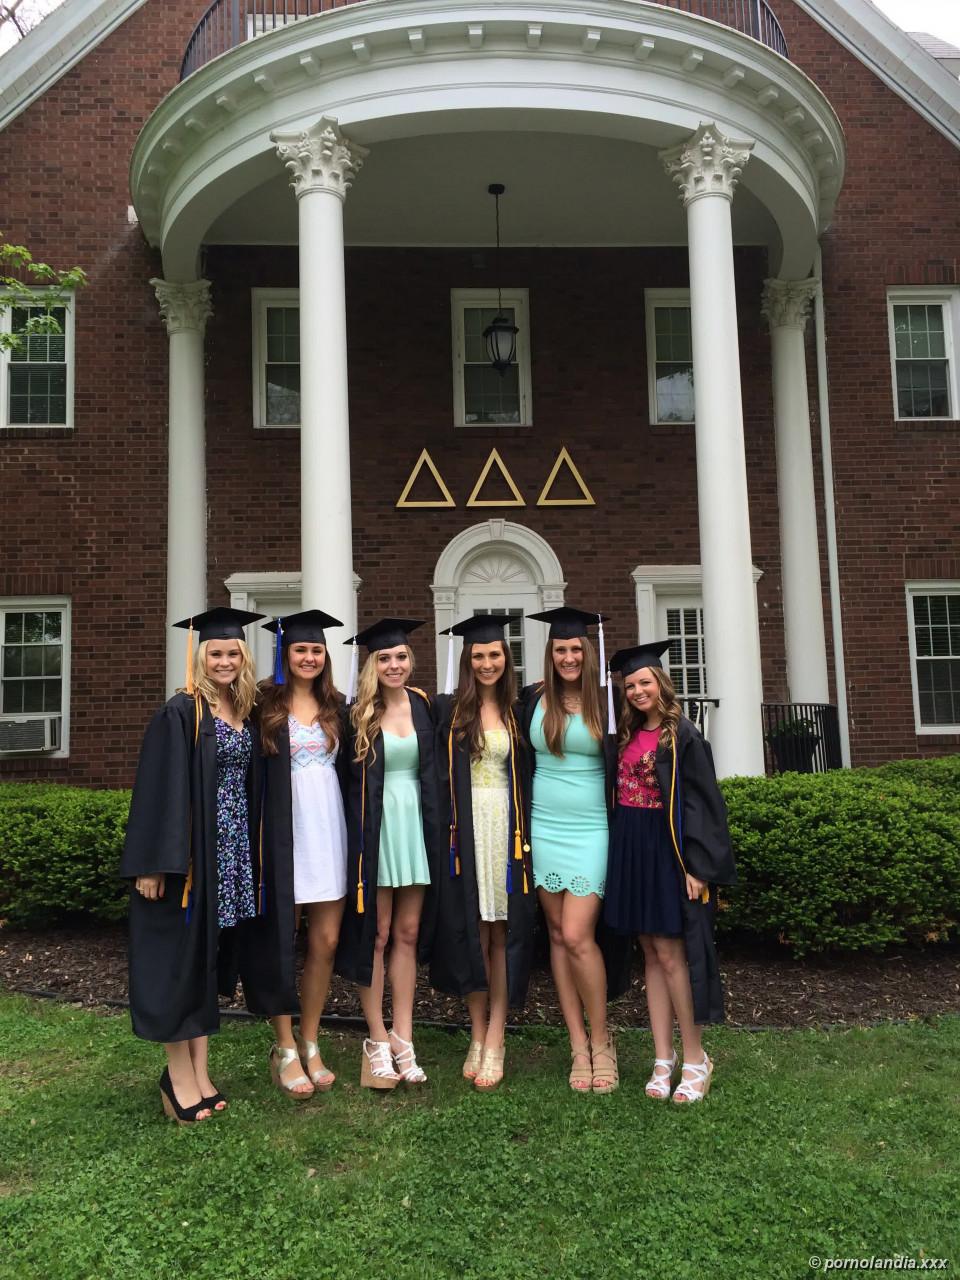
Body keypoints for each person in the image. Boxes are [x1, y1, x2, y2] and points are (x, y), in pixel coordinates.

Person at [120, 606, 264, 1124]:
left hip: (228, 853)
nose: (224, 661)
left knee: (205, 959)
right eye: (216, 653)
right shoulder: (182, 712)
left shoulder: (240, 709)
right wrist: (155, 864)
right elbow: (157, 789)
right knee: (181, 960)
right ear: (201, 657)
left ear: (243, 658)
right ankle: (176, 1077)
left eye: (232, 653)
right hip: (189, 858)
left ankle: (201, 1072)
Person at [606, 641, 736, 1103]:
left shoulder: (683, 736)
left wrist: (697, 865)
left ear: (661, 684)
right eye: (631, 685)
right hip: (632, 846)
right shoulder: (625, 735)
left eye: (645, 682)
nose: (637, 691)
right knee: (649, 950)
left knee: (672, 952)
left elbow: (703, 803)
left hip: (668, 850)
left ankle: (697, 1057)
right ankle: (664, 1056)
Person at [238, 610, 349, 1099]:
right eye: (301, 650)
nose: (309, 657)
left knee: (325, 941)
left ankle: (310, 1038)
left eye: (316, 650)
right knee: (282, 939)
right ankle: (283, 1047)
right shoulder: (263, 706)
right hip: (283, 832)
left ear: (325, 656)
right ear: (286, 654)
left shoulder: (336, 706)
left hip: (330, 832)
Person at [335, 619, 445, 1088]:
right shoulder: (357, 712)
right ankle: (376, 1038)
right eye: (384, 658)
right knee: (376, 934)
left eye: (400, 657)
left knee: (408, 931)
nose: (394, 665)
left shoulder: (422, 705)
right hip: (375, 828)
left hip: (414, 826)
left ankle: (404, 1035)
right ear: (372, 664)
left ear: (410, 660)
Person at [518, 606, 622, 1094]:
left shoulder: (608, 702)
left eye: (575, 649)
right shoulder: (533, 700)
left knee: (579, 934)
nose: (567, 657)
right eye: (560, 649)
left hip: (592, 829)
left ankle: (603, 1041)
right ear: (550, 654)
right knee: (558, 935)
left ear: (587, 651)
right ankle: (577, 1044)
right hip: (544, 826)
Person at [431, 614, 535, 1092]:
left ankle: (497, 1033)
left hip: (506, 830)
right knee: (472, 930)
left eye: (494, 655)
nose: (487, 662)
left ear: (505, 658)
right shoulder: (449, 711)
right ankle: (476, 1031)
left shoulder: (522, 708)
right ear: (467, 661)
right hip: (465, 830)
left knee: (501, 931)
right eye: (479, 656)